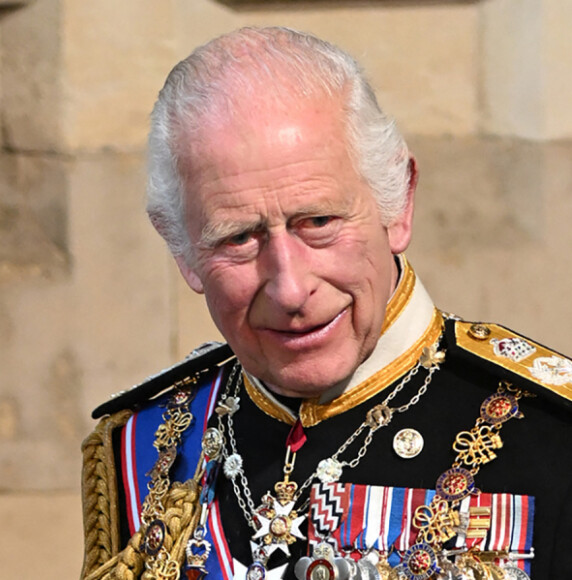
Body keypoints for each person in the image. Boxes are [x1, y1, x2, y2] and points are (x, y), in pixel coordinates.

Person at [80, 27, 572, 580]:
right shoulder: (143, 445)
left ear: (398, 202)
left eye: (318, 222)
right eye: (238, 238)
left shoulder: (552, 435)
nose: (290, 290)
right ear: (182, 250)